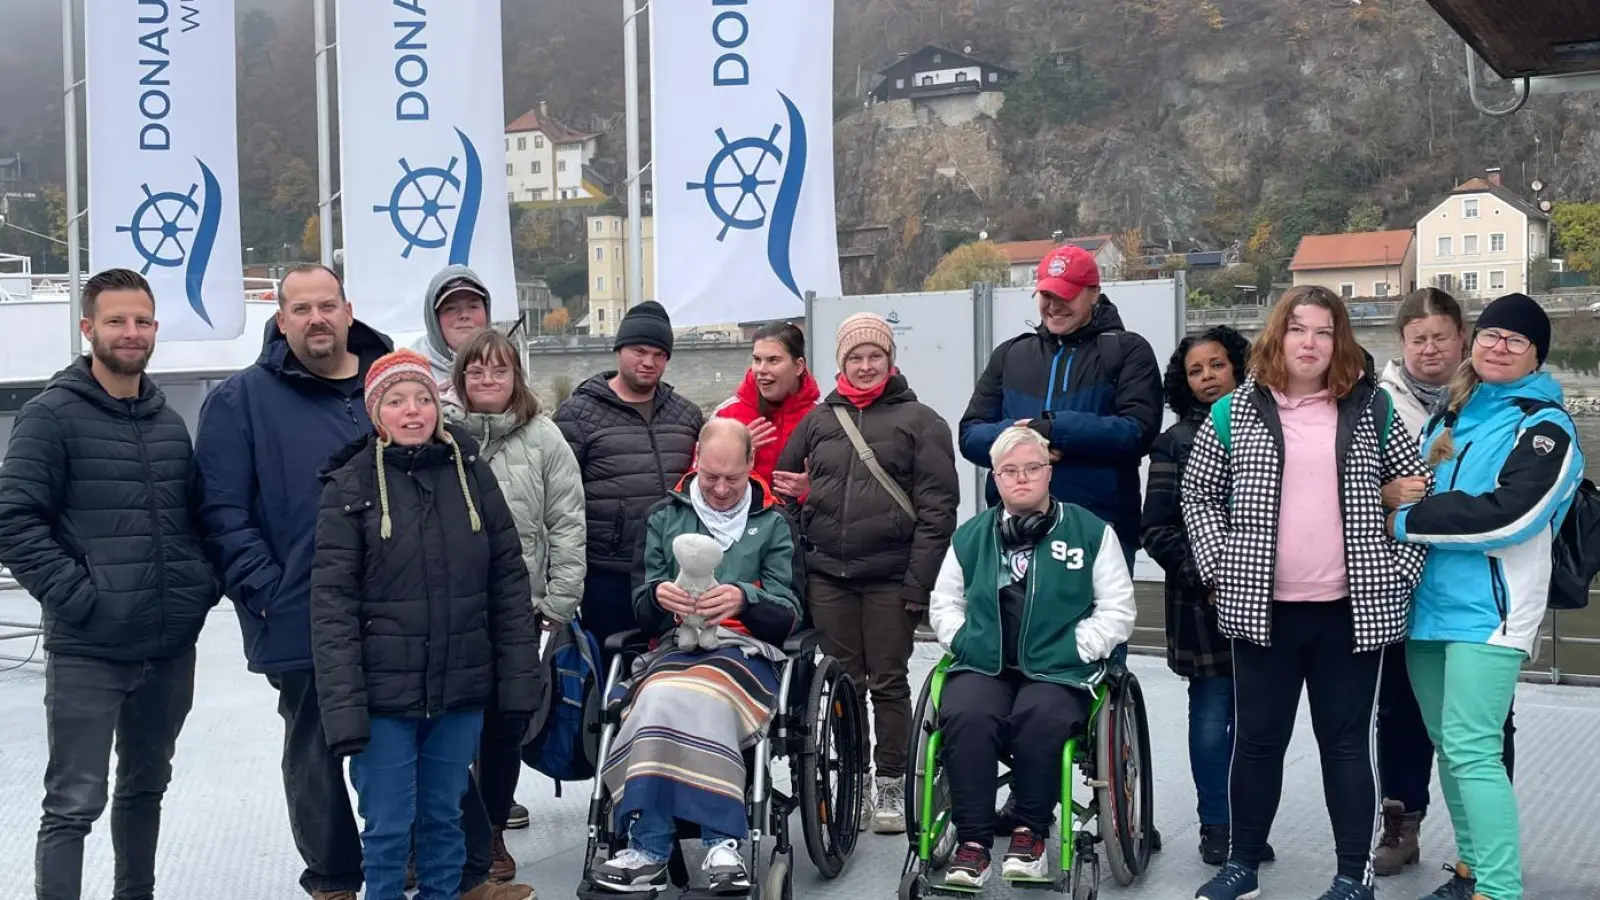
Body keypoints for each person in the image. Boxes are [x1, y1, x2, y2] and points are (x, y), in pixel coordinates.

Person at [195, 264, 530, 900]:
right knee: (319, 751)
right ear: (281, 317)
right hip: (296, 611)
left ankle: (457, 876)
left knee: (433, 756)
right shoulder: (242, 400)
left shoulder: (391, 378)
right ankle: (335, 880)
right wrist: (267, 591)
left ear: (348, 310)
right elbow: (220, 512)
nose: (316, 319)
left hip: (412, 627)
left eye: (328, 305)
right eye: (301, 309)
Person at [1181, 286, 1431, 900]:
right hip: (1264, 611)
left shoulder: (1373, 410)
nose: (1310, 343)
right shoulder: (1234, 411)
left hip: (1350, 613)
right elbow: (1199, 495)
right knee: (1258, 741)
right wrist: (1220, 567)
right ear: (1278, 336)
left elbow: (1417, 494)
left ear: (1338, 341)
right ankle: (1242, 867)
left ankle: (1353, 876)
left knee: (1344, 746)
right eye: (1298, 329)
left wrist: (1399, 571)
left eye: (1323, 331)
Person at [0, 268, 220, 900]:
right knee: (74, 800)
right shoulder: (50, 416)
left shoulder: (167, 421)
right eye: (117, 320)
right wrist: (80, 597)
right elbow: (14, 522)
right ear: (88, 327)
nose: (131, 332)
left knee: (146, 786)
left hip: (168, 644)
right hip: (90, 648)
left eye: (142, 321)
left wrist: (196, 588)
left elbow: (192, 519)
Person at [311, 349, 543, 900]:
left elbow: (507, 582)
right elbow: (332, 608)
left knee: (443, 820)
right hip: (383, 697)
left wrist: (517, 679)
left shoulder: (472, 476)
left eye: (422, 399)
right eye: (396, 401)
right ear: (376, 413)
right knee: (389, 828)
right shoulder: (348, 488)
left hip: (458, 690)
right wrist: (344, 710)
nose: (412, 411)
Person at [1390, 293, 1581, 900]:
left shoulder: (1547, 427)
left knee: (1473, 749)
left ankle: (1500, 891)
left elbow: (1509, 517)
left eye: (1516, 340)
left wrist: (1404, 519)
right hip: (1428, 607)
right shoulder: (1450, 417)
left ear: (1535, 357)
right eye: (1491, 335)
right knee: (1451, 747)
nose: (1499, 346)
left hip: (1492, 614)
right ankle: (1472, 871)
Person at [588, 419, 802, 894]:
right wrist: (660, 595)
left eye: (732, 477)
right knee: (657, 699)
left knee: (702, 697)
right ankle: (648, 847)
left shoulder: (773, 521)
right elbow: (641, 610)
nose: (722, 489)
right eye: (711, 477)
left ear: (752, 464)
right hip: (674, 649)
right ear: (696, 465)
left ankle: (719, 841)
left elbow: (790, 612)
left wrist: (744, 597)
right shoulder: (664, 517)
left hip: (744, 651)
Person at [927, 426, 1136, 888]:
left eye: (1032, 468)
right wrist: (966, 642)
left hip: (1059, 668)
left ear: (1049, 471)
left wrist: (1075, 648)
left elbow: (1118, 611)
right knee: (965, 713)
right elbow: (944, 604)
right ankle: (975, 843)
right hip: (985, 663)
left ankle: (1030, 835)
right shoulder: (970, 537)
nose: (1021, 478)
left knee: (1040, 714)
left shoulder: (1091, 532)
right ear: (995, 479)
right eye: (1009, 471)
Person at [776, 312, 960, 834]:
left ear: (890, 360)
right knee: (840, 683)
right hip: (827, 576)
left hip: (889, 576)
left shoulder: (921, 422)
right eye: (855, 357)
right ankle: (851, 778)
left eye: (873, 356)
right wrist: (805, 521)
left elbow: (938, 509)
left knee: (887, 682)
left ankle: (891, 782)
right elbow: (781, 490)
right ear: (841, 363)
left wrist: (918, 583)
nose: (864, 365)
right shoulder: (817, 422)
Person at [1372, 287, 1515, 876]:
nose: (1430, 349)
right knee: (1400, 707)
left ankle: (1483, 842)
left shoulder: (1494, 397)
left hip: (1478, 588)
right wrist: (1382, 496)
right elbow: (1345, 486)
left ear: (1463, 337)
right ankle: (1401, 822)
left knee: (1486, 720)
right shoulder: (1374, 404)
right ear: (1401, 343)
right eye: (1418, 338)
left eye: (1441, 336)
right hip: (1403, 582)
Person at [445, 328, 587, 874]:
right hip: (454, 609)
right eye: (476, 370)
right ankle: (451, 831)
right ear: (461, 377)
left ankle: (493, 832)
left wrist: (560, 600)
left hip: (520, 609)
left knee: (504, 727)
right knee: (453, 726)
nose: (487, 379)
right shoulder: (442, 437)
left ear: (515, 377)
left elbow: (568, 523)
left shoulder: (545, 438)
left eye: (498, 370)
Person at [1140, 326, 1268, 866]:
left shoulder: (1271, 428)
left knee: (1260, 720)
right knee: (1213, 715)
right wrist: (1209, 575)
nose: (1208, 377)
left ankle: (1252, 823)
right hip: (1203, 599)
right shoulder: (1174, 443)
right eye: (1196, 371)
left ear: (1238, 366)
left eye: (1217, 365)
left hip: (1271, 596)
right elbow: (1158, 528)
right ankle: (1217, 824)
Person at [958, 244, 1163, 563]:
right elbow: (970, 436)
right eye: (1046, 296)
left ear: (1094, 292)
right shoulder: (1010, 354)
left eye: (1065, 296)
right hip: (1014, 528)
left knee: (1097, 616)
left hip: (1099, 530)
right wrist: (1025, 441)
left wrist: (1057, 430)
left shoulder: (1128, 351)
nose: (1054, 306)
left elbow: (1138, 431)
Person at [553, 300, 705, 655]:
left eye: (659, 354)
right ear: (619, 350)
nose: (648, 362)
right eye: (639, 351)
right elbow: (558, 499)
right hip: (607, 572)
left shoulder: (688, 415)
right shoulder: (577, 414)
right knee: (610, 674)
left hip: (674, 572)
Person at [710, 321, 821, 493]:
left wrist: (813, 488)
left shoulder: (821, 417)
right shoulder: (726, 414)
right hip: (743, 518)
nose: (761, 369)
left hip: (802, 518)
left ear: (798, 366)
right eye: (757, 360)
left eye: (773, 360)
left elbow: (844, 487)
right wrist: (735, 452)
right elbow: (699, 479)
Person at [413, 265, 494, 396]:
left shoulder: (507, 361)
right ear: (433, 318)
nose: (464, 315)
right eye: (450, 308)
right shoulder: (410, 369)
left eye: (473, 306)